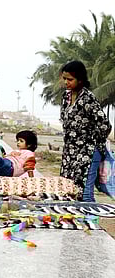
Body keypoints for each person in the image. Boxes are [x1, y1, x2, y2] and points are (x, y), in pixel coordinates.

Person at [60, 60, 111, 201]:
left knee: (85, 192)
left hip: (88, 152)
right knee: (68, 189)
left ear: (80, 79)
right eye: (64, 78)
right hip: (70, 151)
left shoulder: (88, 99)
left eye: (70, 79)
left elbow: (105, 125)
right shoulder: (66, 97)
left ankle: (91, 220)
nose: (66, 82)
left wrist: (92, 141)